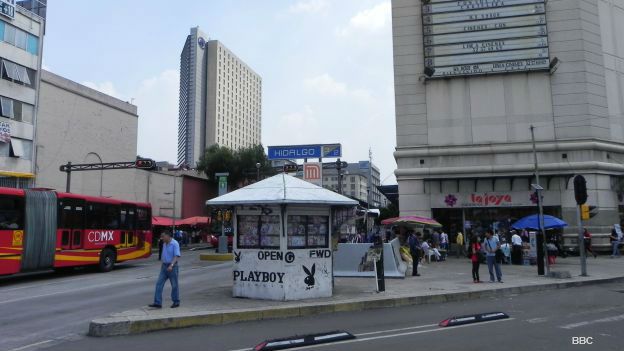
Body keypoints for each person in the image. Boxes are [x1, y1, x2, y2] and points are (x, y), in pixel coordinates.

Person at [149, 231, 181, 308]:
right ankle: (158, 303)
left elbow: (176, 256)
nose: (161, 238)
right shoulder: (164, 243)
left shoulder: (175, 243)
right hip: (164, 266)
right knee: (159, 284)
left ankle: (176, 301)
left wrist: (171, 265)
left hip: (172, 267)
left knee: (174, 285)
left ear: (168, 236)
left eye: (163, 236)